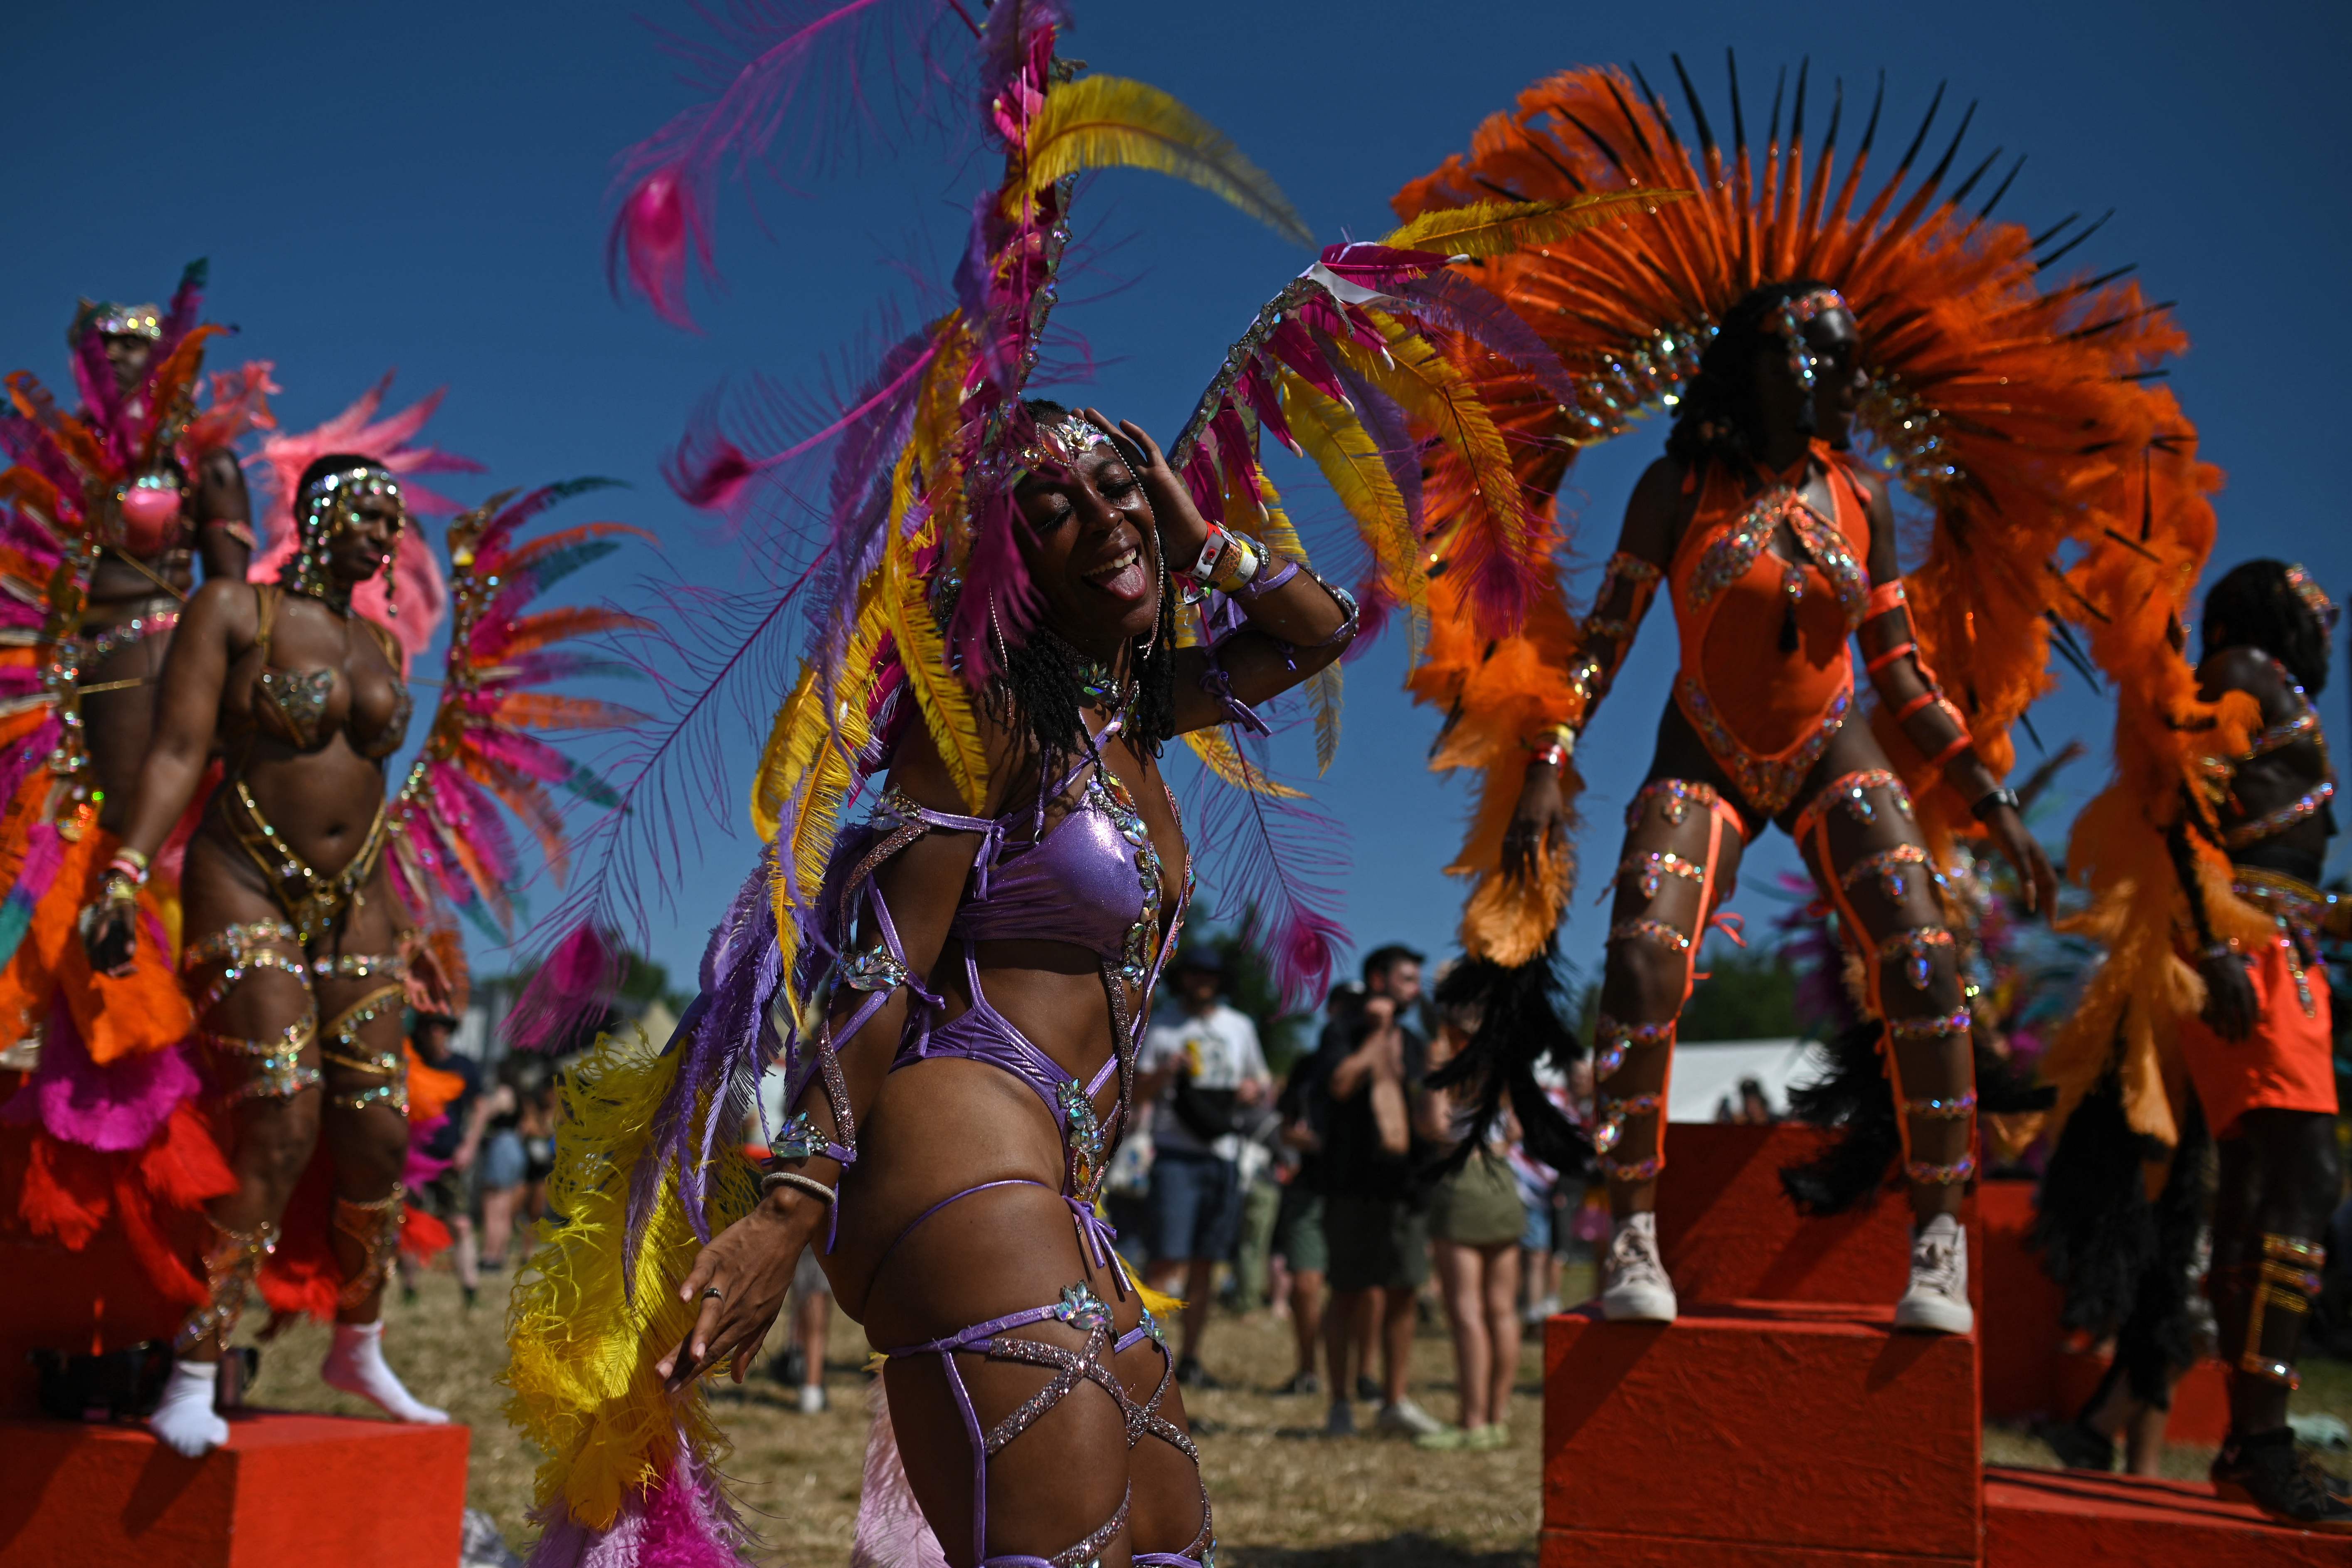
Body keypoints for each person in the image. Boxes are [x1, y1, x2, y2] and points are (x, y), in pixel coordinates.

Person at [502, 14, 1591, 1560]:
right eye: (1054, 508)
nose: (1099, 518)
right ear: (1010, 565)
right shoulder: (979, 725)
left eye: (1112, 484)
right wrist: (789, 1203)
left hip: (1055, 1169)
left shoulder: (1137, 718)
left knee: (1161, 1533)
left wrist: (1188, 515)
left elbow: (1319, 625)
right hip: (953, 1142)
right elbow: (877, 960)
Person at [1397, 60, 2211, 1349]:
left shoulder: (1864, 501)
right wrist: (1548, 757)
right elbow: (1599, 649)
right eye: (1815, 350)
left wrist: (1989, 800)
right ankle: (1631, 1229)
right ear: (1758, 363)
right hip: (1702, 752)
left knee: (1922, 952)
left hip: (1834, 749)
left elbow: (1895, 672)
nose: (1840, 369)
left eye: (1845, 353)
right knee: (1642, 955)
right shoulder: (1673, 490)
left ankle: (1936, 1239)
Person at [84, 462, 629, 1457]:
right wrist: (123, 868)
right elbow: (175, 751)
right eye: (368, 512)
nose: (386, 531)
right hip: (242, 880)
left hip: (358, 905)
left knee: (378, 1129)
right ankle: (196, 1363)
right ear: (318, 514)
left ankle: (361, 1341)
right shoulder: (233, 609)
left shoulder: (381, 645)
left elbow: (365, 801)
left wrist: (410, 926)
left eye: (395, 519)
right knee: (283, 1116)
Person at [2039, 561, 2352, 1529]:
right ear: (2269, 606)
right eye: (2313, 600)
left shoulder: (2253, 679)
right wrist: (2214, 944)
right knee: (2296, 1184)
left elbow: (2253, 835)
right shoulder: (2246, 667)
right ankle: (2261, 1444)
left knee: (2261, 1188)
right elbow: (2167, 789)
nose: (2328, 617)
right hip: (2248, 961)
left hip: (2267, 951)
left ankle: (2247, 1446)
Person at [1317, 945, 1445, 1439]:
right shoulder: (1341, 1032)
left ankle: (1395, 1400)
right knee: (1347, 1292)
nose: (1416, 988)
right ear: (1378, 981)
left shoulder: (1415, 1044)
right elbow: (1341, 1086)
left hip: (1405, 1189)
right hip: (1352, 1185)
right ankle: (1340, 1404)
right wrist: (1375, 1037)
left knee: (1403, 1292)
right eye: (1407, 979)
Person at [1139, 948, 1272, 1388]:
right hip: (1174, 1154)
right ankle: (1146, 1359)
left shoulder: (1240, 1027)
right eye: (1195, 973)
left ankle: (1190, 1358)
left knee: (1206, 1262)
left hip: (1225, 1154)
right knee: (1166, 1257)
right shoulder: (1162, 1024)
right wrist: (1166, 1072)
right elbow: (1138, 1092)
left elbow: (1262, 1083)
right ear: (1184, 978)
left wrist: (1253, 1090)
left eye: (1211, 975)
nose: (1203, 982)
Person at [1414, 988, 1527, 1450]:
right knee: (1503, 1309)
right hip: (1503, 1179)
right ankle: (1497, 1417)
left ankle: (1472, 1420)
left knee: (1466, 1311)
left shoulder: (1445, 1056)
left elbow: (1436, 1124)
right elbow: (1517, 1128)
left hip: (1462, 1177)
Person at [399, 1010, 483, 1308]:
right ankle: (409, 1289)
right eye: (429, 1025)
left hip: (449, 1159)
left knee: (460, 1224)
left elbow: (480, 1108)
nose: (436, 1031)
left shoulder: (463, 1067)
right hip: (411, 1162)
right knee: (408, 1224)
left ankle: (470, 1291)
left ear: (450, 1030)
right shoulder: (409, 1063)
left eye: (442, 1025)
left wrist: (470, 1146)